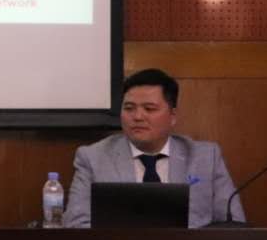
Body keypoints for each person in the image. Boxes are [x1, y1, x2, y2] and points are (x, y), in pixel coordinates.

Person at [63, 68, 243, 227]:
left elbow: (233, 224)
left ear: (172, 116)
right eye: (129, 108)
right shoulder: (93, 158)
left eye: (149, 109)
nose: (137, 116)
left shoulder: (205, 157)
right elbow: (75, 224)